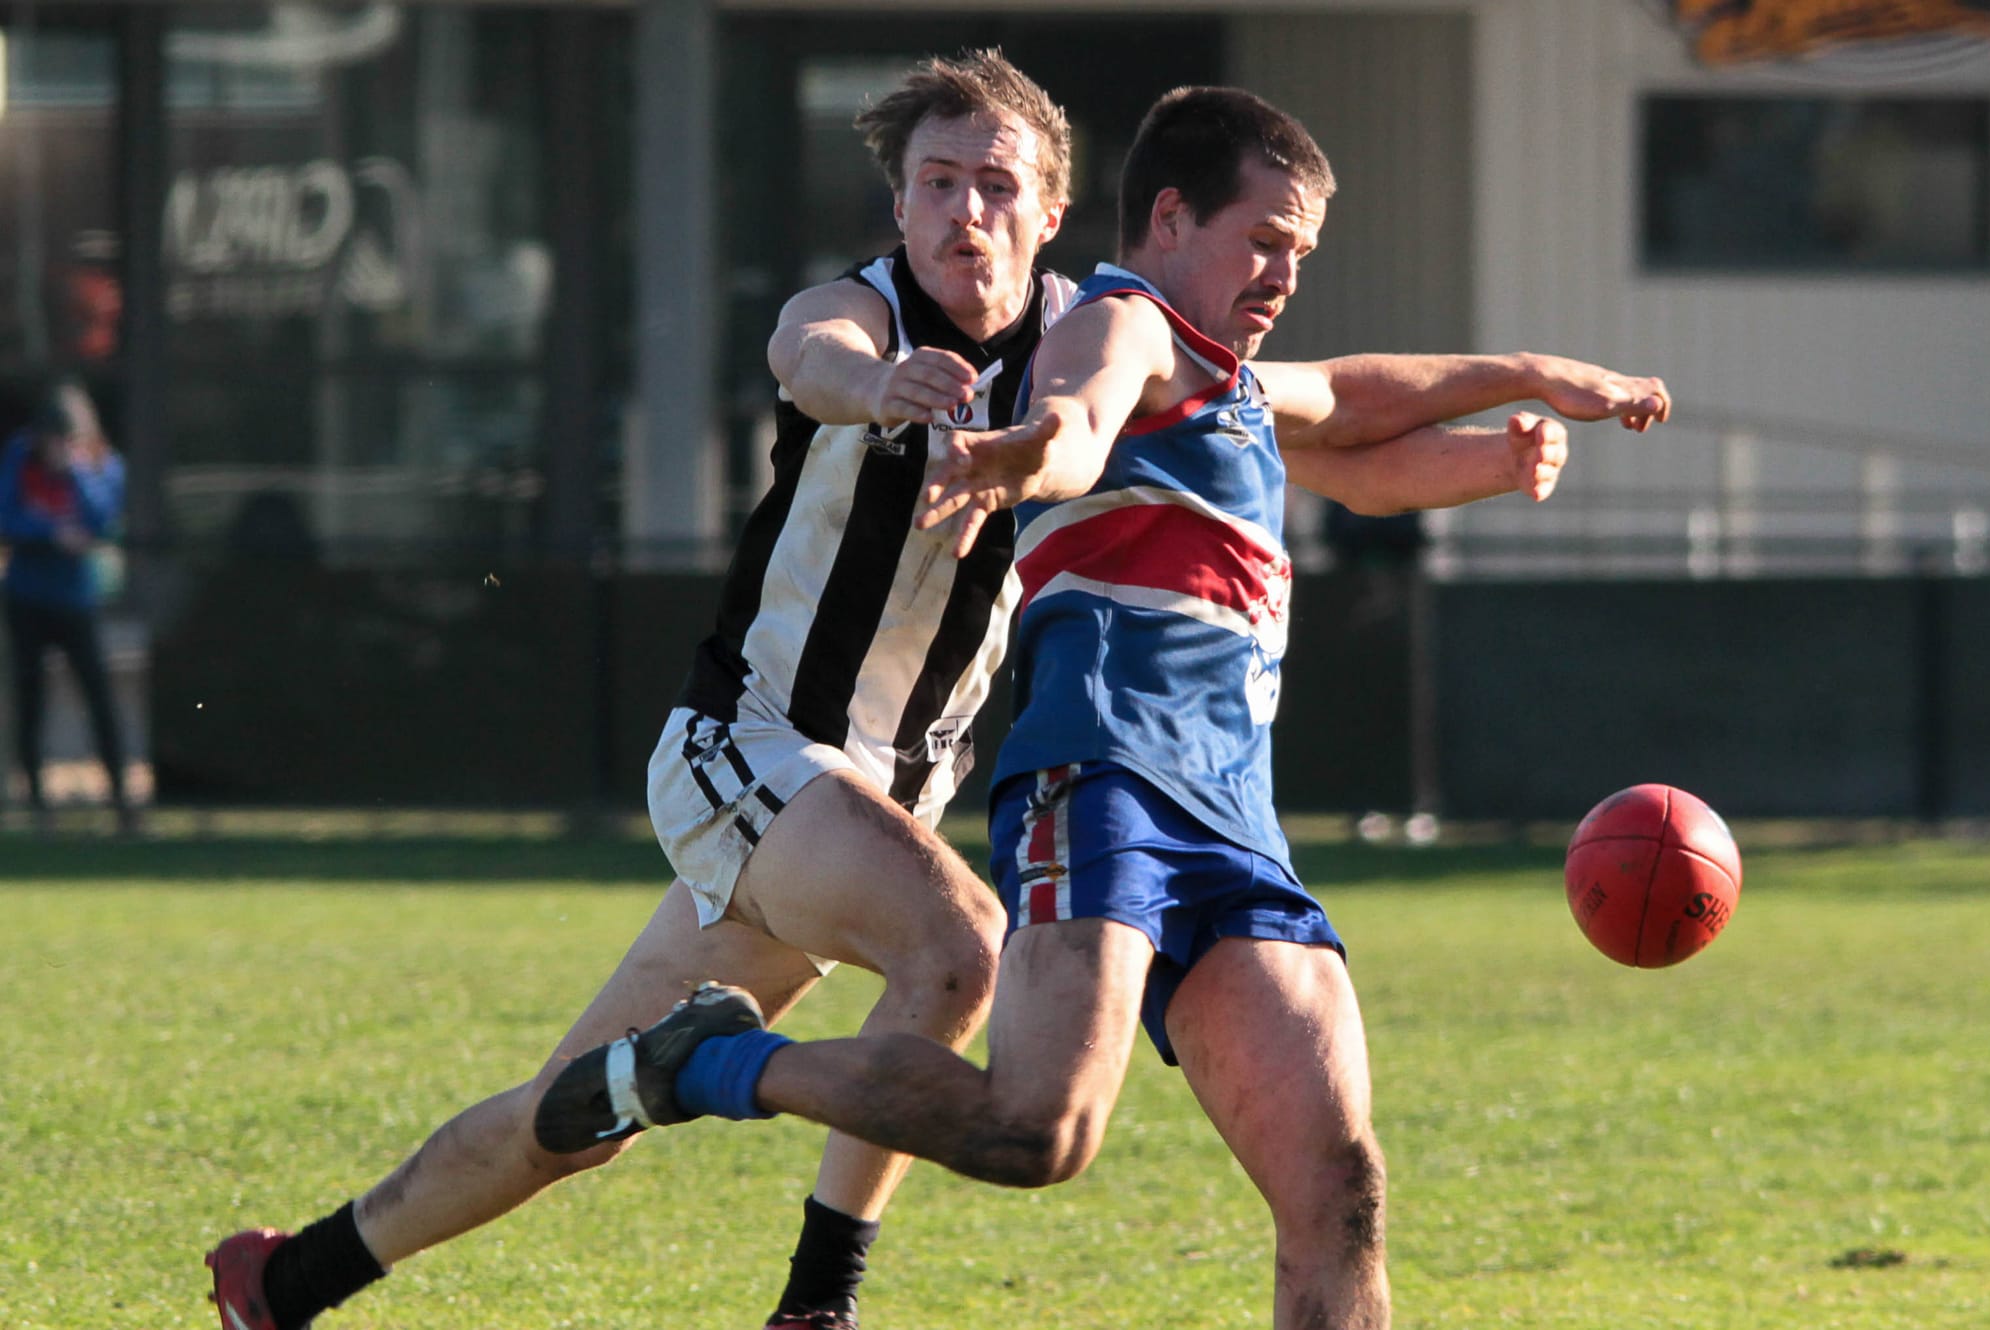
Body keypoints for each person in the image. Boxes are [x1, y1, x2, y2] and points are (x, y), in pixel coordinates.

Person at [534, 86, 1672, 1330]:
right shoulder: (1120, 326)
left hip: (1233, 815)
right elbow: (1076, 424)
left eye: (1300, 252)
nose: (1284, 273)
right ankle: (709, 1061)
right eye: (1265, 241)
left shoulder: (1225, 378)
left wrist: (1514, 413)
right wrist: (1025, 456)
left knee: (1336, 1184)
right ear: (1169, 217)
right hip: (1107, 777)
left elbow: (1352, 410)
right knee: (1038, 1131)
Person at [204, 49, 1078, 1330]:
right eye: (934, 182)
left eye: (995, 184)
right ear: (897, 205)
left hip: (869, 803)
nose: (964, 210)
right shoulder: (863, 312)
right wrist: (877, 388)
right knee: (957, 948)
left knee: (574, 1116)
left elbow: (1211, 404)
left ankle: (284, 1280)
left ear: (1050, 210)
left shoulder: (1081, 343)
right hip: (750, 750)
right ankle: (817, 1301)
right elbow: (807, 354)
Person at [0, 376, 133, 835]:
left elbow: (103, 520)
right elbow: (6, 516)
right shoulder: (22, 457)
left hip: (76, 600)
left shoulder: (102, 463)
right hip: (27, 597)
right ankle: (37, 800)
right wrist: (51, 534)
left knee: (98, 697)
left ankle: (122, 798)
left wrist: (75, 470)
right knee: (30, 697)